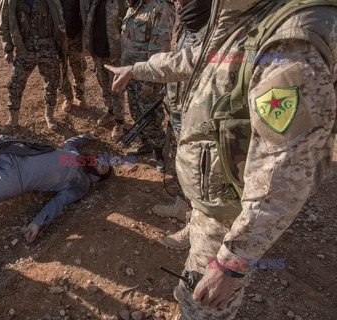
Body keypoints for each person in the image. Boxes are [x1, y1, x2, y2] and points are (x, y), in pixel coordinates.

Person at [106, 0, 337, 318]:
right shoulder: (239, 15)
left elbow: (282, 172)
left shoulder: (290, 43)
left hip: (229, 209)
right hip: (212, 199)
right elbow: (196, 59)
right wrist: (137, 69)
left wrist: (232, 263)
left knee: (200, 306)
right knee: (192, 292)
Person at [151, 0, 211, 250]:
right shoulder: (187, 19)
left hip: (198, 118)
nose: (174, 1)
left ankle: (197, 229)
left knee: (199, 174)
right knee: (182, 165)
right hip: (179, 112)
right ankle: (182, 206)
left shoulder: (208, 21)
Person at [120, 0, 175, 172]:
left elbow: (160, 49)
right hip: (132, 72)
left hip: (147, 77)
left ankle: (161, 155)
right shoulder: (133, 6)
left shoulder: (160, 8)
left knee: (151, 118)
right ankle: (146, 144)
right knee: (136, 111)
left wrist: (149, 82)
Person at [0, 0, 66, 133]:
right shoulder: (10, 2)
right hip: (25, 47)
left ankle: (49, 115)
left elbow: (60, 20)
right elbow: (4, 25)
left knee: (52, 83)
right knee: (15, 84)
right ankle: (13, 119)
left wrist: (60, 46)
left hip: (48, 45)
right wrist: (8, 49)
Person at [81, 0, 127, 139]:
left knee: (116, 90)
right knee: (104, 86)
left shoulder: (120, 3)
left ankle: (119, 122)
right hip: (98, 54)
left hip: (114, 56)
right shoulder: (94, 3)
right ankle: (110, 111)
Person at [60, 0, 89, 112]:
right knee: (62, 70)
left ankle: (80, 95)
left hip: (76, 38)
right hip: (60, 39)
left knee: (79, 69)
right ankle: (68, 97)